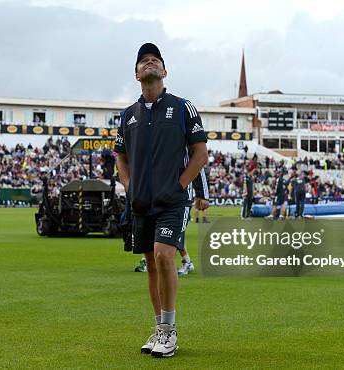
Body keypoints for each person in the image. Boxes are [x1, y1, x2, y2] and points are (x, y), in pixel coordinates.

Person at [115, 43, 208, 358]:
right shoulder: (128, 115)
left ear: (164, 71)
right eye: (143, 61)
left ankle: (169, 331)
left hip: (172, 201)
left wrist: (180, 186)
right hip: (141, 202)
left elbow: (200, 154)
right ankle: (159, 329)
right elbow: (120, 157)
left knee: (165, 255)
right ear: (136, 74)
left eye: (155, 59)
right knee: (152, 265)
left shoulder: (183, 107)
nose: (149, 62)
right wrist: (129, 185)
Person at [177, 170, 210, 276]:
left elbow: (199, 166)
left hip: (181, 199)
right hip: (164, 197)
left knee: (177, 233)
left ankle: (186, 262)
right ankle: (187, 261)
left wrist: (203, 195)